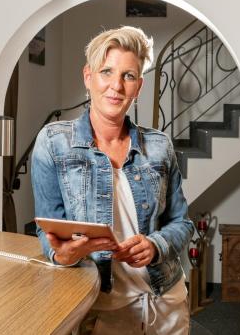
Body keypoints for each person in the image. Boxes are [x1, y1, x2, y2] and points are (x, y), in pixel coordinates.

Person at [31, 26, 194, 334]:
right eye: (107, 72)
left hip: (165, 303)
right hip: (101, 307)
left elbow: (182, 223)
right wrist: (60, 255)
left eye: (128, 76)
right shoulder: (53, 142)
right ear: (88, 76)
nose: (116, 86)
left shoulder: (159, 145)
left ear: (139, 86)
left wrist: (155, 245)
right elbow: (48, 227)